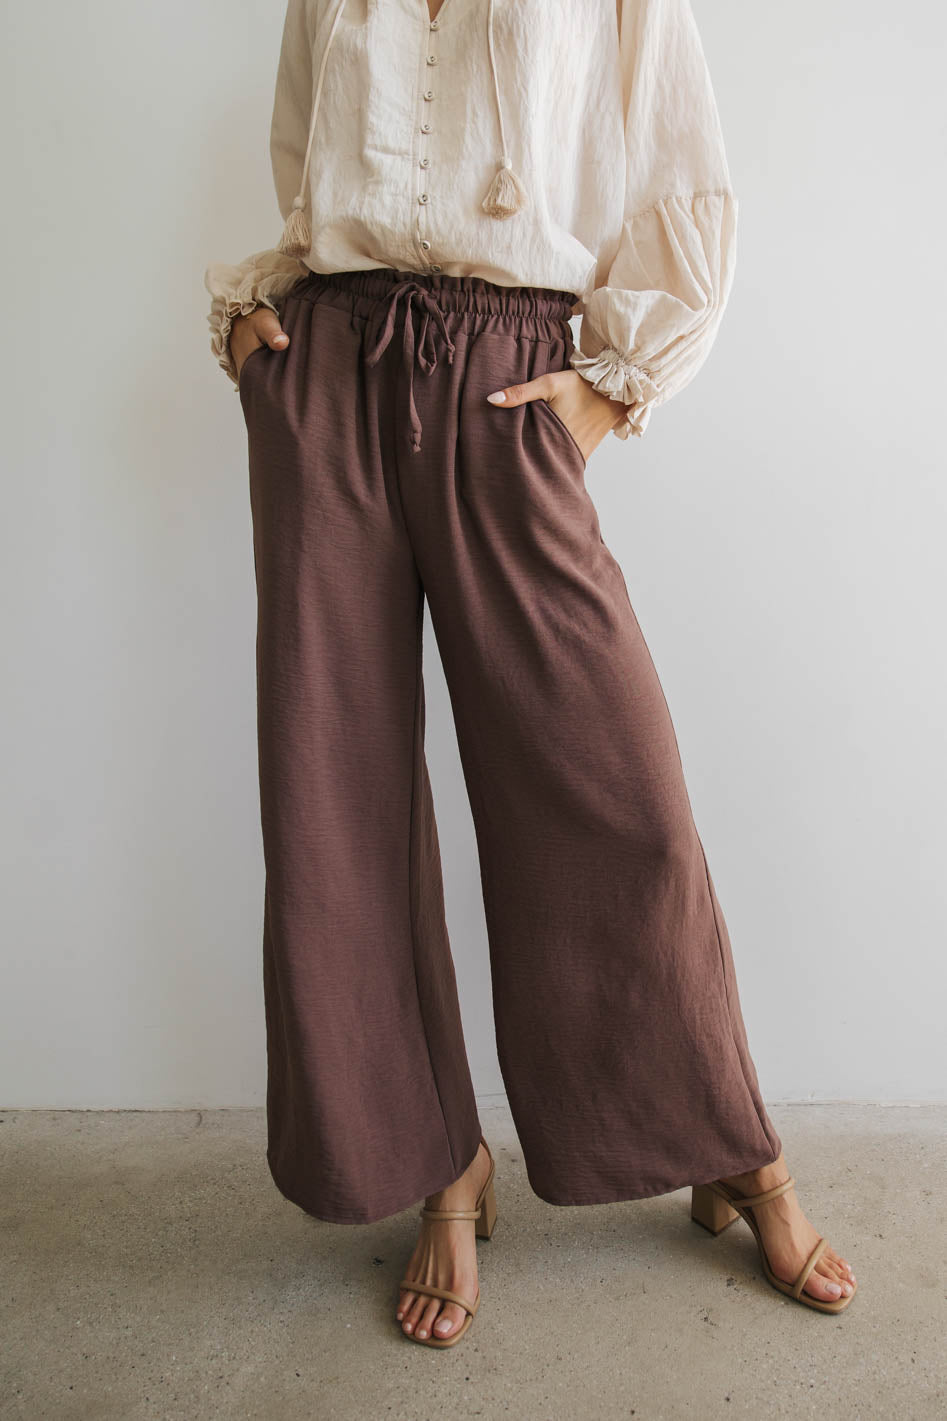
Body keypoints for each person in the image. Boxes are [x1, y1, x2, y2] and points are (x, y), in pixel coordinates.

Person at [203, 0, 857, 1350]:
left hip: (510, 379)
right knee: (337, 797)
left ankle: (726, 1142)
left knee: (612, 790)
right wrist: (260, 322)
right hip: (327, 370)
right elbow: (305, 154)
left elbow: (678, 171)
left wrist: (615, 387)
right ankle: (439, 1167)